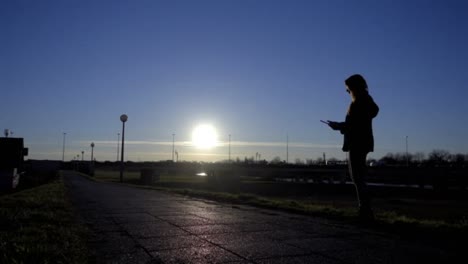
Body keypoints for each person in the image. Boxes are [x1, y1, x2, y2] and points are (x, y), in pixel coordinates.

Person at [325, 74, 379, 221]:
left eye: (348, 89)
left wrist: (337, 126)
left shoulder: (359, 103)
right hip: (362, 142)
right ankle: (365, 210)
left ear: (354, 88)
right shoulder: (366, 101)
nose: (347, 92)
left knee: (357, 178)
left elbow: (354, 125)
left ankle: (365, 211)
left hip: (357, 143)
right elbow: (358, 123)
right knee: (359, 177)